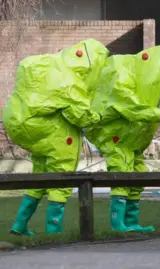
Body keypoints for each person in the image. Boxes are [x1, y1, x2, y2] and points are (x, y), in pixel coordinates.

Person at [85, 45, 160, 233]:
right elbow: (131, 107)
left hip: (134, 141)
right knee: (122, 175)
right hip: (116, 139)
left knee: (138, 175)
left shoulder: (148, 85)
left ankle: (131, 222)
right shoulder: (122, 77)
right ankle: (117, 224)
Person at [4, 39, 109, 235]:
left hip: (25, 127)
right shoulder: (70, 80)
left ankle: (19, 225)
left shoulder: (45, 65)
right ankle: (54, 229)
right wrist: (98, 117)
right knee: (61, 178)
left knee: (39, 177)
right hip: (56, 135)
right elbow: (80, 116)